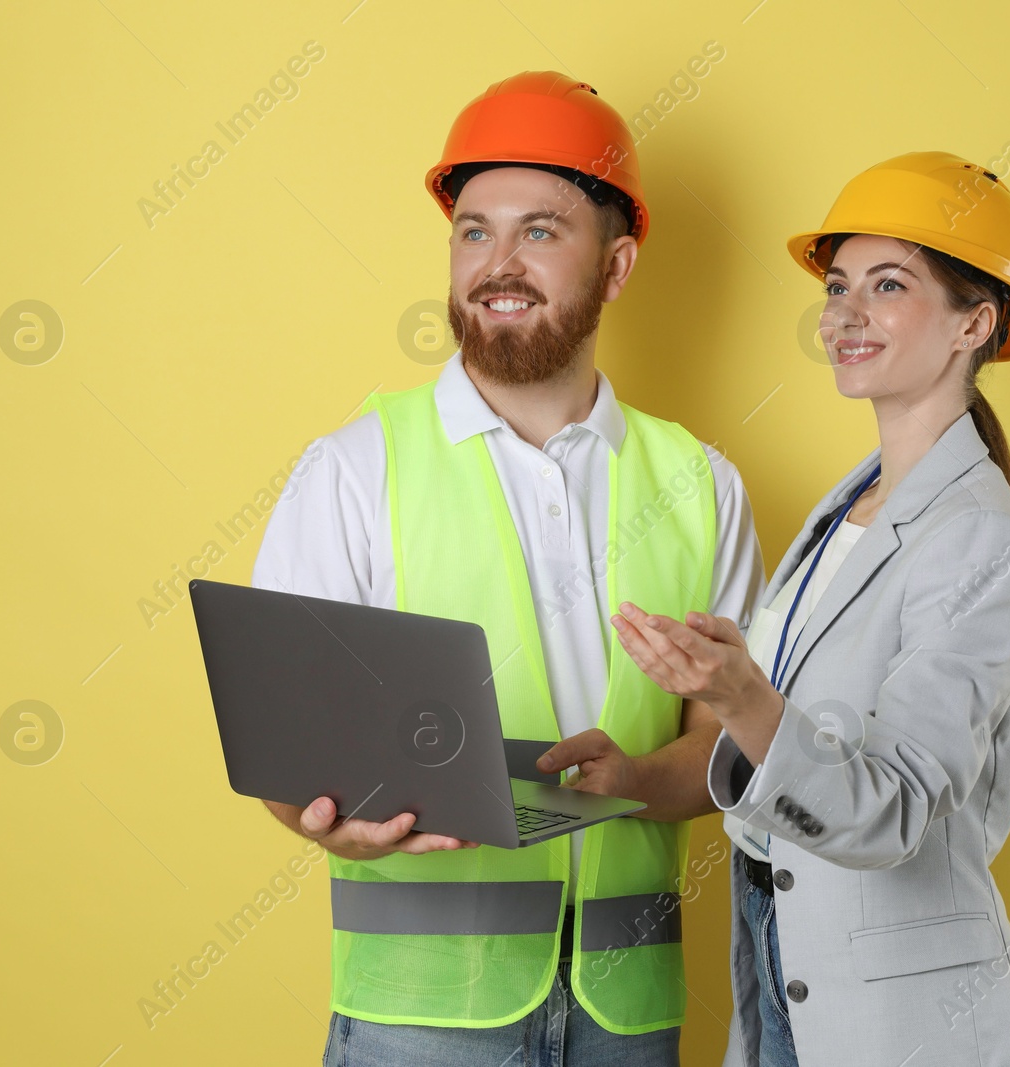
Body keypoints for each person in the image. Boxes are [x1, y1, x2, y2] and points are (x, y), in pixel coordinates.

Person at [249, 71, 765, 1066]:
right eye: (473, 230)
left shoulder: (700, 484)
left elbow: (736, 741)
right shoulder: (356, 468)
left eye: (539, 231)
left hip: (627, 1014)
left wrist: (637, 781)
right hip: (419, 1019)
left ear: (616, 268)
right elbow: (280, 734)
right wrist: (320, 822)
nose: (497, 262)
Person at [610, 152, 1010, 1066]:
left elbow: (889, 810)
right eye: (839, 284)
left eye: (887, 286)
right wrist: (639, 772)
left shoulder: (981, 542)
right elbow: (799, 750)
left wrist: (741, 697)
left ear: (977, 321)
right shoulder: (846, 510)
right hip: (788, 985)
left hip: (905, 1027)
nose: (844, 313)